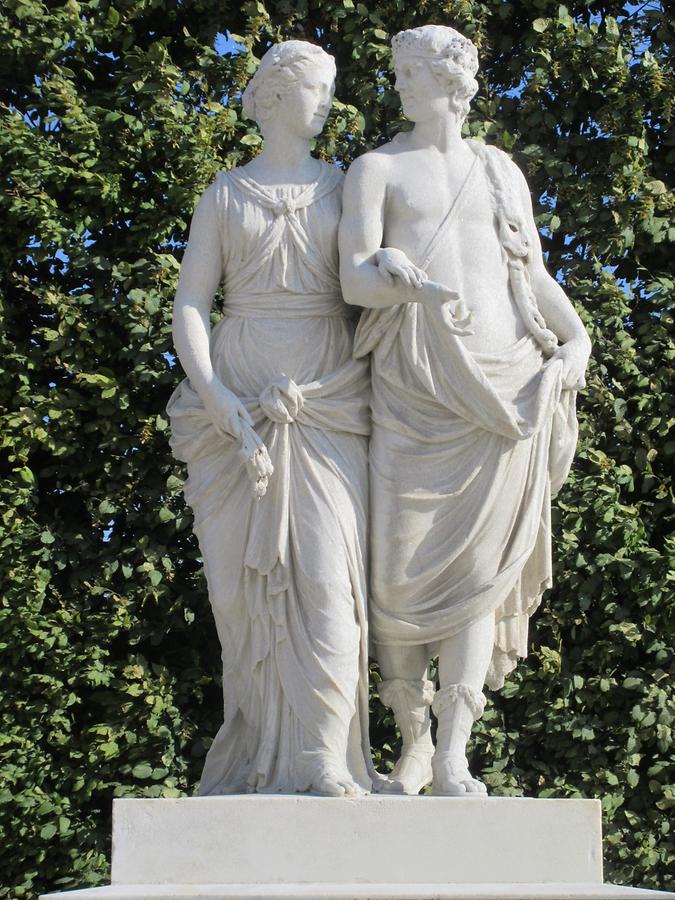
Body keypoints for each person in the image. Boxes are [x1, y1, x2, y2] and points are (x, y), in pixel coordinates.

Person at [339, 24, 591, 796]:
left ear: (451, 79)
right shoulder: (376, 168)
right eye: (398, 71)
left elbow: (532, 271)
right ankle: (410, 736)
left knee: (482, 573)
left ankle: (453, 749)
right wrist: (390, 270)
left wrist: (576, 335)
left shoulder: (497, 169)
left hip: (507, 385)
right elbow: (353, 279)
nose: (400, 85)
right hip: (416, 382)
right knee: (394, 574)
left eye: (411, 72)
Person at [167, 40, 373, 797]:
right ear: (276, 96)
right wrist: (217, 395)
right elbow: (192, 302)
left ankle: (323, 756)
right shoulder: (225, 194)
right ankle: (258, 750)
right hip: (235, 400)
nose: (325, 103)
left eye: (329, 90)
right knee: (236, 596)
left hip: (328, 397)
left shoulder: (347, 187)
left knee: (325, 580)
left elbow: (375, 281)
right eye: (315, 89)